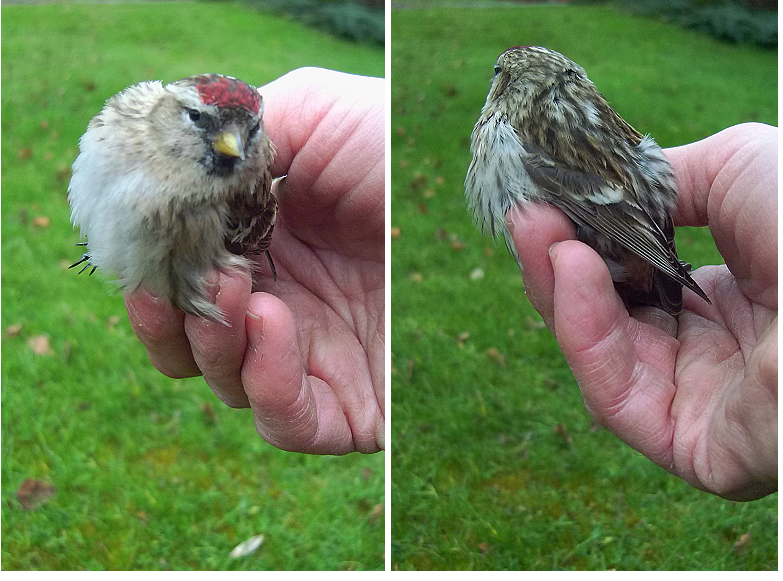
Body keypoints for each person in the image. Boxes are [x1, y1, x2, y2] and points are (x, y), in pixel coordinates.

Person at [507, 122, 777, 501]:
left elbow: (623, 202)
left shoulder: (533, 144)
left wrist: (655, 260)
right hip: (641, 246)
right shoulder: (583, 129)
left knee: (560, 251)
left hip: (630, 246)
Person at [124, 68, 385, 456]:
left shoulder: (239, 183)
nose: (231, 143)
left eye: (248, 131)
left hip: (236, 259)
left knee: (215, 293)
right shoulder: (131, 124)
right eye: (199, 120)